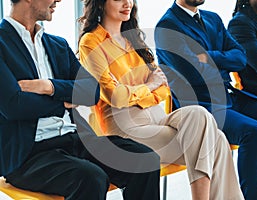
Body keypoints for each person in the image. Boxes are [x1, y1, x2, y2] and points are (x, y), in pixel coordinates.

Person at [78, 0, 244, 199]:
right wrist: (148, 86)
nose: (127, 3)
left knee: (200, 115)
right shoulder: (91, 42)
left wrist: (135, 91)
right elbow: (115, 96)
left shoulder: (133, 39)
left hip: (159, 118)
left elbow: (164, 87)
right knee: (216, 140)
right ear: (100, 3)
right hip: (126, 130)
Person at [0, 0, 161, 200]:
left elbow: (91, 92)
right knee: (92, 178)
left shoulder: (57, 45)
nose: (58, 0)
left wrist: (50, 87)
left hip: (77, 140)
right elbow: (13, 106)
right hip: (29, 154)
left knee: (145, 160)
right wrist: (65, 101)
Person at [154, 0, 257, 200]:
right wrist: (222, 60)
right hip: (201, 106)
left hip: (230, 96)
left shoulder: (212, 18)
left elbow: (240, 58)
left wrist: (206, 56)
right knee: (254, 131)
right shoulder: (167, 26)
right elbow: (194, 73)